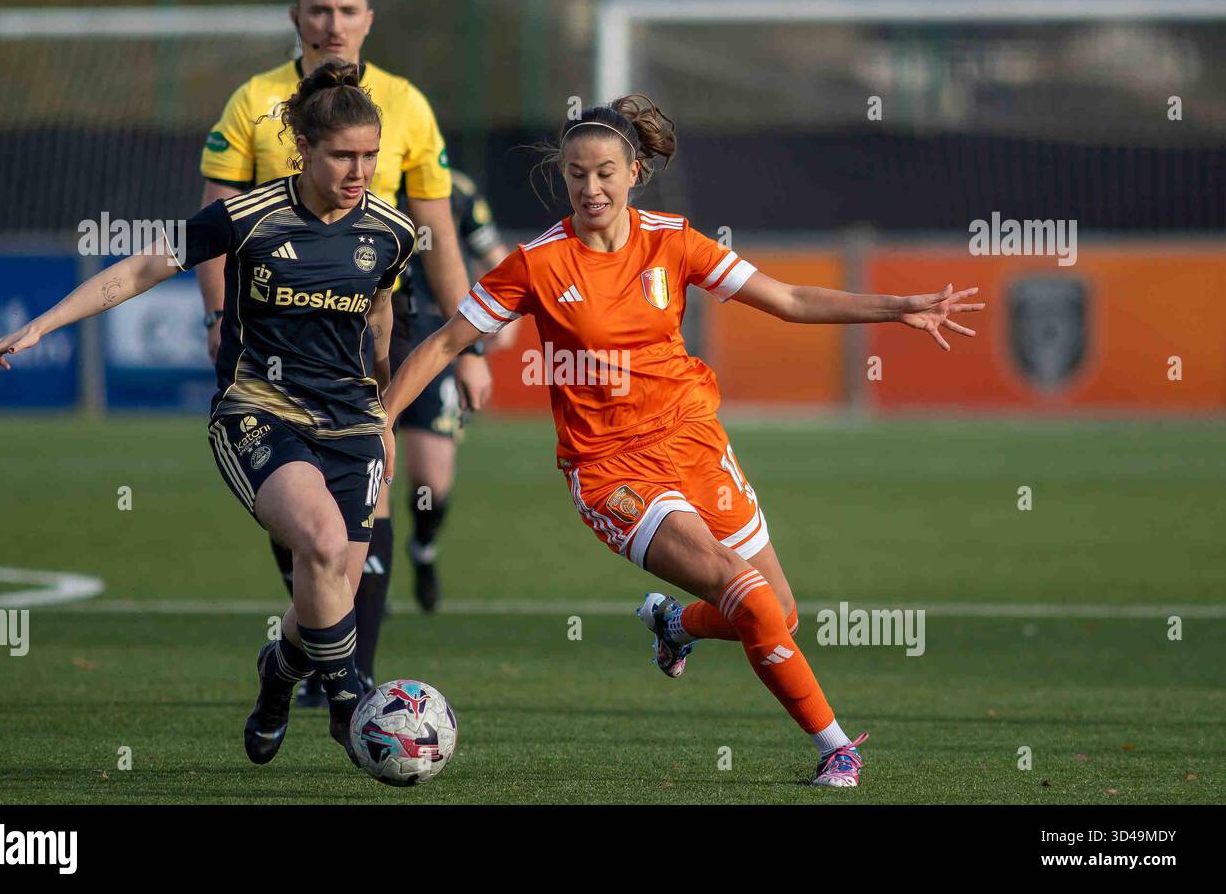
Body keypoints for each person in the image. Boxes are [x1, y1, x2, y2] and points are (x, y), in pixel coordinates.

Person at [376, 94, 985, 787]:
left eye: (605, 172)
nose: (590, 187)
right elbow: (448, 339)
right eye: (576, 174)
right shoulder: (539, 263)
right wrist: (385, 417)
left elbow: (786, 300)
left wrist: (897, 307)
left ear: (634, 171)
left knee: (778, 614)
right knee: (749, 598)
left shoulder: (672, 239)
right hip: (611, 470)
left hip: (694, 441)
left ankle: (678, 626)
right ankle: (837, 748)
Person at [0, 60, 410, 770]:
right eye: (343, 155)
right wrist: (43, 326)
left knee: (328, 586)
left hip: (353, 425)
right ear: (302, 147)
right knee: (326, 546)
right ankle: (348, 699)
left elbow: (384, 322)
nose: (359, 169)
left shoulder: (391, 234)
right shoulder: (248, 217)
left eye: (370, 154)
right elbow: (145, 268)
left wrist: (385, 414)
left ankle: (278, 677)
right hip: (258, 413)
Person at [196, 0, 490, 703]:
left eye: (348, 9)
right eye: (319, 10)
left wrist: (472, 342)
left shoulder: (406, 105)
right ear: (297, 19)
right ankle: (325, 662)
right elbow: (213, 222)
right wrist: (213, 314)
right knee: (308, 521)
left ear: (367, 19)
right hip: (275, 337)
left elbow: (438, 234)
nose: (333, 23)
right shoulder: (255, 100)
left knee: (379, 494)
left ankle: (348, 677)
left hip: (378, 321)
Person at [393, 169, 512, 611]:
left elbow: (493, 256)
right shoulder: (361, 182)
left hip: (440, 333)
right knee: (369, 472)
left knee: (431, 481)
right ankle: (367, 579)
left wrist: (501, 315)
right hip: (372, 331)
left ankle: (423, 549)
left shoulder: (455, 189)